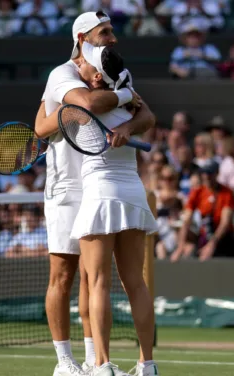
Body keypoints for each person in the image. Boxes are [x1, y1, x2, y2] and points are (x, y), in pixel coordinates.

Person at [32, 10, 157, 376]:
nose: (113, 38)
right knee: (64, 274)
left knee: (93, 277)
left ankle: (93, 360)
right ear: (83, 38)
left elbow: (147, 114)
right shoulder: (62, 75)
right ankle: (65, 362)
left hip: (102, 183)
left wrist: (128, 119)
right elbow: (63, 115)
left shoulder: (115, 71)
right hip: (67, 185)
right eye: (105, 32)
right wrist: (113, 99)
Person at [68, 43, 158, 376]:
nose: (78, 66)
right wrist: (127, 124)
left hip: (101, 194)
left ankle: (103, 365)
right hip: (133, 192)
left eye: (84, 64)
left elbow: (52, 122)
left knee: (98, 283)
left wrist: (125, 128)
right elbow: (148, 115)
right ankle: (147, 364)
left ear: (95, 74)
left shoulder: (82, 99)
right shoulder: (129, 99)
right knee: (137, 282)